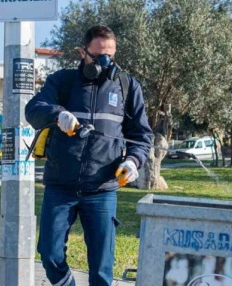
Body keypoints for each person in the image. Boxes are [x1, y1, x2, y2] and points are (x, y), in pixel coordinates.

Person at [25, 25, 153, 286]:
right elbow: (33, 109)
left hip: (103, 189)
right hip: (61, 186)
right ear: (83, 52)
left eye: (110, 56)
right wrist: (56, 114)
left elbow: (141, 136)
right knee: (49, 254)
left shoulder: (128, 87)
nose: (105, 63)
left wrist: (133, 160)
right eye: (98, 57)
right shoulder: (62, 82)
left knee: (102, 267)